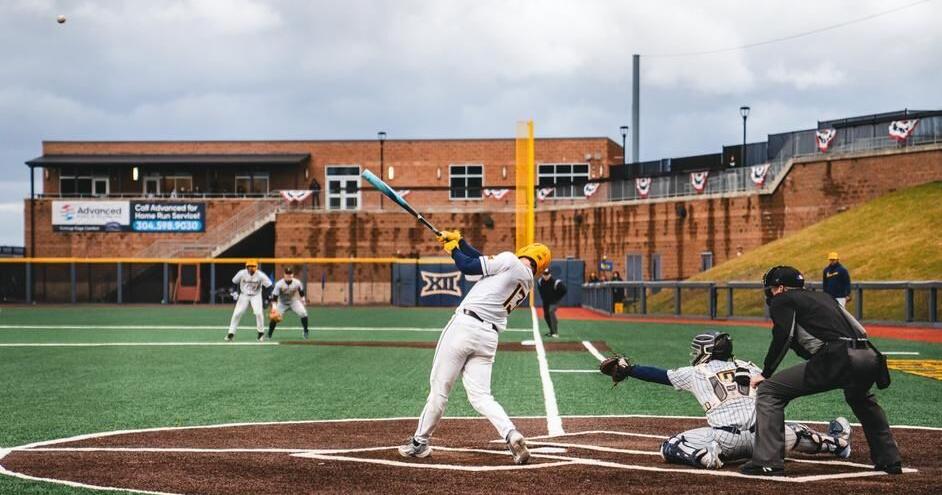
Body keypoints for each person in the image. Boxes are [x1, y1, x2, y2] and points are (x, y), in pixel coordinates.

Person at [398, 230, 551, 465]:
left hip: (464, 327)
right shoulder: (526, 281)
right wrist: (461, 242)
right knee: (481, 396)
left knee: (440, 390)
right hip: (488, 338)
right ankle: (511, 434)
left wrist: (453, 251)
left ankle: (420, 443)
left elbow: (469, 267)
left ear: (526, 251)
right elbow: (483, 261)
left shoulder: (510, 260)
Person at [599, 331, 851, 469]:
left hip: (726, 441)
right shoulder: (750, 367)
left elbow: (659, 375)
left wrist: (630, 369)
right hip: (766, 441)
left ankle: (703, 456)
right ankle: (837, 444)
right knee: (793, 430)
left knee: (671, 444)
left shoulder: (696, 372)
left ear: (707, 351)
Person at [741, 265, 902, 476]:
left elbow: (784, 335)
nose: (771, 293)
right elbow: (861, 330)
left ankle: (768, 461)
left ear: (780, 288)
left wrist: (766, 373)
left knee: (769, 391)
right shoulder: (824, 297)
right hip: (869, 355)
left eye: (771, 289)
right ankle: (890, 460)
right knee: (862, 399)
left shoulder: (782, 299)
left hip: (838, 356)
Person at [225, 259, 273, 342]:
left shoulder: (260, 275)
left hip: (256, 295)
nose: (251, 268)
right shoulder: (241, 273)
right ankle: (231, 334)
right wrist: (234, 292)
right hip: (244, 295)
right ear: (246, 267)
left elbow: (269, 286)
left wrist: (267, 298)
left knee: (258, 313)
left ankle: (261, 333)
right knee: (237, 313)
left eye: (253, 266)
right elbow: (234, 281)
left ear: (256, 267)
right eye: (249, 266)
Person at [267, 267, 310, 340]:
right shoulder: (279, 284)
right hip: (282, 303)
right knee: (274, 317)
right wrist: (274, 308)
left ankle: (305, 331)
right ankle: (269, 334)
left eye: (290, 274)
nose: (289, 275)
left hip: (293, 301)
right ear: (284, 275)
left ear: (293, 275)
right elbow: (274, 297)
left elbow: (301, 292)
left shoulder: (297, 282)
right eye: (287, 274)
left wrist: (303, 300)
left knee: (303, 313)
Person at [537, 268, 567, 338]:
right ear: (542, 274)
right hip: (546, 302)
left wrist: (557, 298)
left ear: (550, 274)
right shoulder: (540, 281)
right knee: (546, 315)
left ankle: (555, 332)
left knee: (551, 311)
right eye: (544, 274)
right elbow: (540, 290)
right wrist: (544, 298)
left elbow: (564, 290)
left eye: (547, 274)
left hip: (554, 301)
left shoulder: (556, 282)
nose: (546, 276)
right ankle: (552, 331)